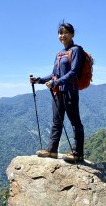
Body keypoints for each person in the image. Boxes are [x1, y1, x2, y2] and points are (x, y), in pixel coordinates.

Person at [30, 22, 84, 162]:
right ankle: (52, 150)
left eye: (65, 32)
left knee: (75, 123)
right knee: (56, 122)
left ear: (72, 34)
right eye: (60, 33)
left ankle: (78, 153)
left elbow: (74, 72)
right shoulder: (59, 54)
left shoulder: (76, 50)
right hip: (58, 92)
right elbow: (54, 74)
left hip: (70, 91)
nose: (62, 35)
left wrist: (56, 83)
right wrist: (39, 80)